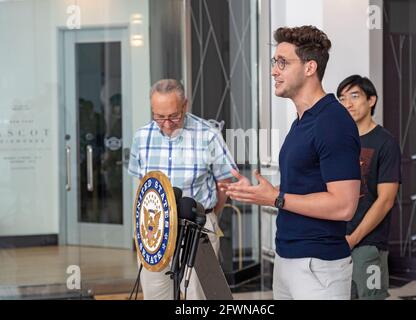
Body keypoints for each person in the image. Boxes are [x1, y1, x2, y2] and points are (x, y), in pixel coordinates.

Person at [219, 25, 361, 300]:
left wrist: (275, 198)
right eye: (275, 62)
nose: (274, 70)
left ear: (310, 67)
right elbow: (305, 187)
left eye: (282, 62)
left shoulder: (332, 122)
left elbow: (345, 205)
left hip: (318, 267)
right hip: (288, 258)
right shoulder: (303, 121)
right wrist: (262, 194)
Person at [128, 79, 236, 300]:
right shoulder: (142, 137)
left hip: (198, 227)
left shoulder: (208, 134)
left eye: (173, 116)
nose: (167, 124)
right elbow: (141, 186)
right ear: (152, 109)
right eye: (159, 117)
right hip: (155, 232)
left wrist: (211, 216)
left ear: (185, 105)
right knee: (157, 295)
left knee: (200, 298)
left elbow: (225, 182)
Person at [337, 75, 401, 300]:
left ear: (371, 100)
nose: (348, 104)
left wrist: (353, 238)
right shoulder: (340, 141)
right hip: (336, 243)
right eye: (342, 99)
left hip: (368, 245)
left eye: (354, 96)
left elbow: (385, 201)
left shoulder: (385, 143)